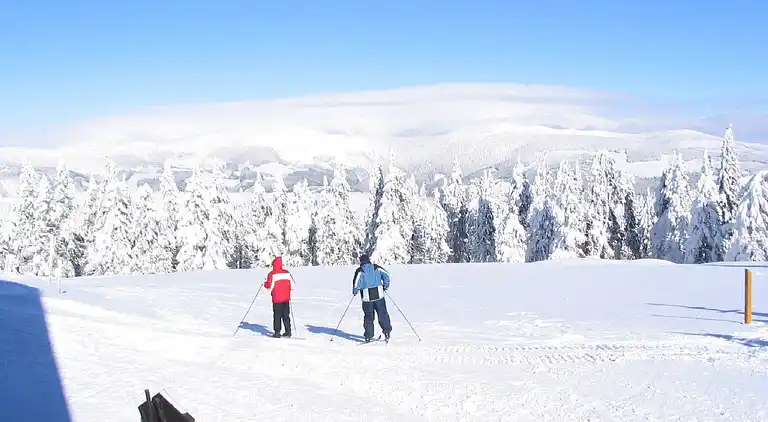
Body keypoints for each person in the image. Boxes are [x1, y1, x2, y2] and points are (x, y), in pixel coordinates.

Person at [352, 254, 392, 342]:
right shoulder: (376, 267)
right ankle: (387, 332)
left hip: (367, 297)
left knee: (369, 317)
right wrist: (385, 286)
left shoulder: (360, 270)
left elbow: (356, 283)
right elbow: (387, 275)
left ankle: (368, 336)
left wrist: (355, 292)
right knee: (383, 314)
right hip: (379, 295)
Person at [263, 256, 294, 338]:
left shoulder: (272, 274)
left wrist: (265, 284)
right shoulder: (287, 273)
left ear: (273, 264)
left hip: (277, 299)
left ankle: (277, 332)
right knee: (286, 316)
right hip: (286, 298)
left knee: (277, 316)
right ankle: (288, 331)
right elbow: (293, 285)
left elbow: (269, 286)